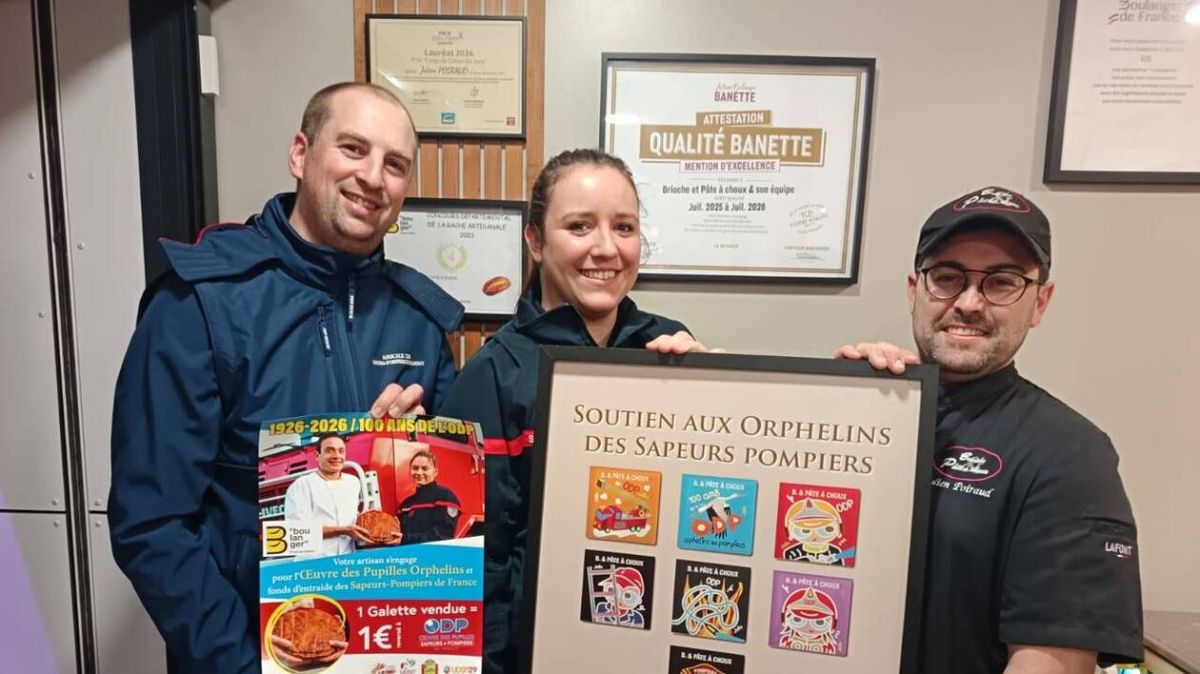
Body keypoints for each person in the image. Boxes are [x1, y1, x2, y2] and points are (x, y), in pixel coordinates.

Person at [108, 82, 462, 674]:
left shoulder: (420, 320)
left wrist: (403, 455)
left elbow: (435, 516)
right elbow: (153, 522)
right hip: (245, 654)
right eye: (353, 148)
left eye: (394, 164)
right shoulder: (202, 301)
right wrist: (246, 665)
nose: (374, 177)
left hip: (390, 653)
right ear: (300, 154)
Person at [836, 186, 1142, 674]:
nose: (970, 302)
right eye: (948, 277)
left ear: (1040, 302)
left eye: (1001, 282)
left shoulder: (1070, 454)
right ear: (915, 290)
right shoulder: (862, 411)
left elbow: (1052, 663)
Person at [437, 148, 705, 674]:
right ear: (535, 240)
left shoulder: (673, 348)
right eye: (579, 226)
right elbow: (475, 564)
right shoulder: (491, 376)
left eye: (624, 227)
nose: (606, 248)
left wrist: (721, 396)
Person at [283, 433, 368, 556]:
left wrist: (369, 520)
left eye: (341, 451)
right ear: (317, 456)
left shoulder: (353, 482)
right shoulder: (301, 485)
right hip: (314, 564)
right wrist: (344, 530)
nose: (337, 456)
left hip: (347, 562)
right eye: (330, 450)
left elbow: (352, 519)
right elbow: (295, 532)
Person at [397, 447, 461, 544]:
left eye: (425, 468)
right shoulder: (405, 505)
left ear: (435, 472)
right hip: (409, 557)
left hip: (433, 556)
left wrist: (405, 539)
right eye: (415, 468)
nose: (419, 472)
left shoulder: (445, 497)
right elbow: (397, 533)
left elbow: (443, 535)